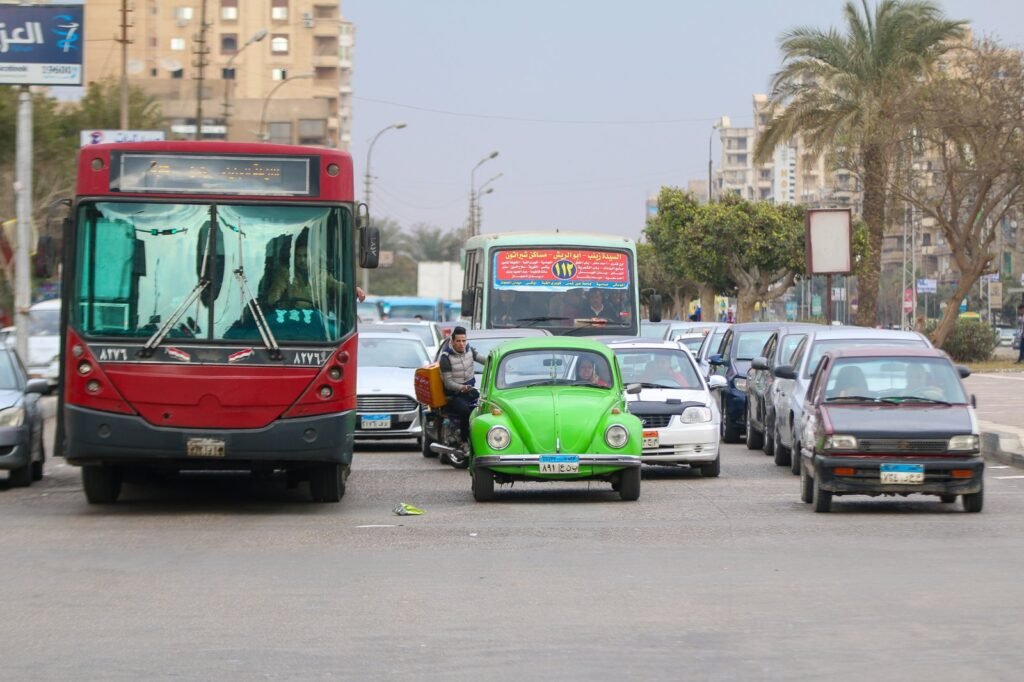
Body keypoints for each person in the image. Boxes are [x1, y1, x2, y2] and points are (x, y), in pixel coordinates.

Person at [266, 231, 366, 309]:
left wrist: (354, 289)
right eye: (298, 256)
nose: (302, 260)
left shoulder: (321, 274)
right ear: (294, 258)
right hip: (292, 316)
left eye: (305, 256)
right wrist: (275, 303)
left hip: (316, 319)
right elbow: (275, 294)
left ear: (312, 257)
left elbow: (338, 286)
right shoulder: (285, 274)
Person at [439, 326, 486, 444]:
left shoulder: (470, 350)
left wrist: (497, 361)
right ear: (453, 341)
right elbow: (448, 383)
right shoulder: (445, 358)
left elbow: (484, 359)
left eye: (464, 341)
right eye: (458, 341)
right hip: (455, 395)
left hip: (470, 391)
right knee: (465, 411)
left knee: (484, 406)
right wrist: (461, 387)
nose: (461, 344)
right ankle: (464, 440)